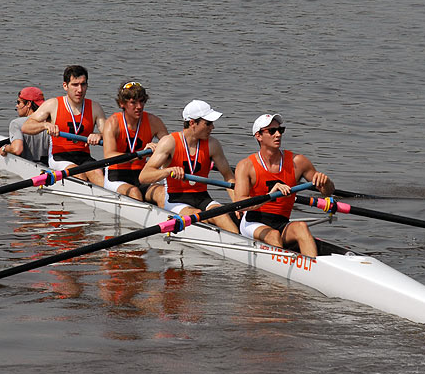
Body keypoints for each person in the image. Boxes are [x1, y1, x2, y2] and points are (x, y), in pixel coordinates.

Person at [234, 114, 334, 257]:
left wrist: (326, 182)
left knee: (301, 227)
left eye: (280, 130)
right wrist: (270, 196)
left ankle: (314, 267)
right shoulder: (246, 165)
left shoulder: (298, 162)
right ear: (258, 136)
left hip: (282, 222)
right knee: (273, 235)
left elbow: (327, 193)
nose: (278, 134)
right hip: (253, 221)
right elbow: (239, 203)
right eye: (272, 131)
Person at [138, 99, 239, 233]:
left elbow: (228, 177)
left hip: (202, 197)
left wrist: (238, 204)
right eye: (208, 123)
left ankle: (241, 244)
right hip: (175, 199)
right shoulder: (169, 142)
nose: (212, 127)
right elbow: (144, 177)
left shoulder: (213, 144)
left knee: (222, 215)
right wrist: (168, 171)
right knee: (196, 213)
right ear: (192, 123)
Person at [22, 65, 107, 185]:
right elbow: (26, 126)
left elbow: (109, 134)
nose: (80, 90)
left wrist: (100, 135)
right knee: (79, 175)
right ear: (65, 86)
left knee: (97, 173)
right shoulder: (53, 104)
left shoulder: (95, 107)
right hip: (59, 156)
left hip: (84, 156)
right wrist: (45, 125)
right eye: (75, 85)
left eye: (83, 84)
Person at [102, 81, 169, 205]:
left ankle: (167, 221)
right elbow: (109, 156)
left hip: (142, 175)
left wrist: (159, 148)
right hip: (116, 176)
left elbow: (171, 147)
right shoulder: (112, 123)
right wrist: (140, 155)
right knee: (134, 192)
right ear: (122, 103)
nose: (139, 106)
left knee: (163, 193)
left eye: (142, 101)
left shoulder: (153, 121)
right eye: (133, 102)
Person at [0, 86, 49, 164]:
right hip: (50, 168)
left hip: (28, 169)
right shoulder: (52, 122)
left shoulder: (16, 124)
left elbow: (17, 149)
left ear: (28, 104)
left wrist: (5, 148)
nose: (16, 106)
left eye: (19, 102)